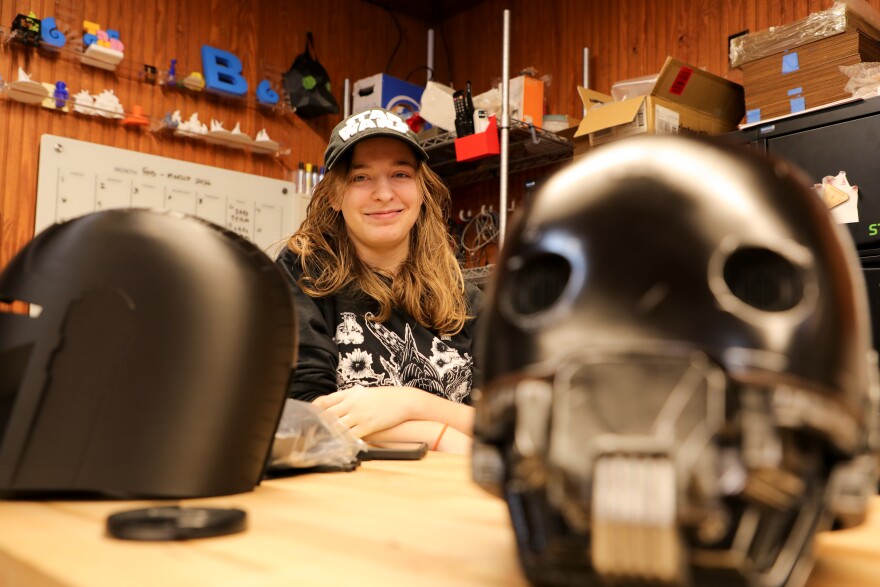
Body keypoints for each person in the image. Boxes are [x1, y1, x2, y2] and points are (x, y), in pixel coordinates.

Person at [276, 107, 482, 454]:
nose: (384, 194)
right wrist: (440, 436)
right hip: (344, 497)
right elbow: (304, 413)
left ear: (421, 190)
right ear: (334, 196)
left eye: (400, 174)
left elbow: (506, 422)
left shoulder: (467, 301)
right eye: (361, 178)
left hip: (449, 496)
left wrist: (410, 403)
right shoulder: (304, 275)